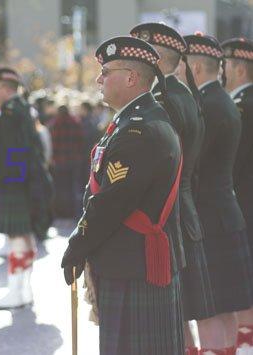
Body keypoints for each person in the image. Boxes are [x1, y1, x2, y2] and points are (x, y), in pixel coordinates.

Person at [61, 36, 185, 354]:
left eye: (106, 71)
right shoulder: (131, 122)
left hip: (134, 265)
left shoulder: (139, 129)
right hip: (127, 260)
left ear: (130, 78)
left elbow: (112, 202)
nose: (99, 79)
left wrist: (78, 245)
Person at [130, 23, 216, 355]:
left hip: (165, 216)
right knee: (177, 321)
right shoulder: (182, 94)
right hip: (180, 211)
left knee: (167, 324)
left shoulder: (163, 99)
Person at [178, 32, 253, 354]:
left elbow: (192, 166)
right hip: (225, 210)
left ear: (194, 67)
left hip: (210, 214)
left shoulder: (209, 105)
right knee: (223, 309)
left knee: (210, 310)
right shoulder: (220, 101)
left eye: (181, 66)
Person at [0, 67, 44, 310]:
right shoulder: (21, 109)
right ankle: (23, 289)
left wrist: (0, 183)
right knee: (24, 235)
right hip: (24, 182)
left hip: (13, 183)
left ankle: (16, 291)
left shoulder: (10, 113)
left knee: (17, 236)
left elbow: (10, 153)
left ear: (5, 89)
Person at [222, 37, 253, 350]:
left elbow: (230, 165)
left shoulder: (241, 108)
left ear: (240, 71)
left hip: (245, 205)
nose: (224, 72)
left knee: (245, 287)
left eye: (227, 66)